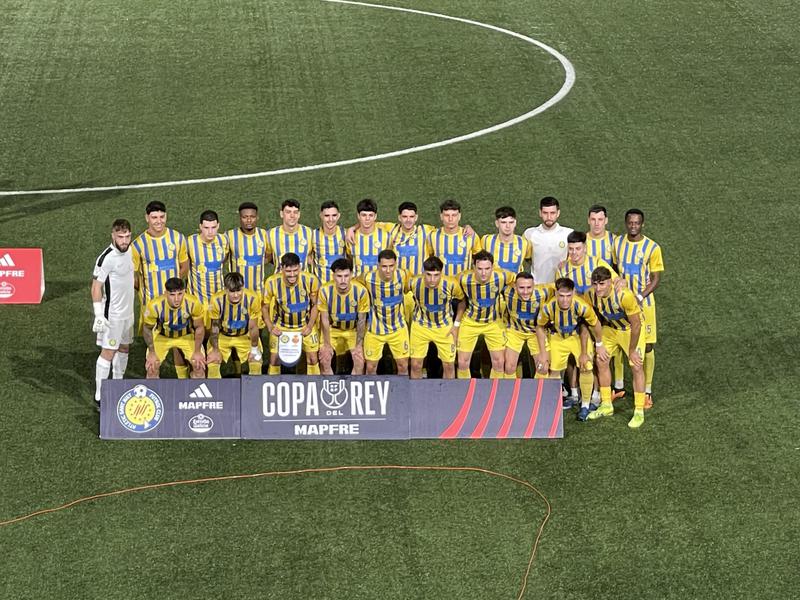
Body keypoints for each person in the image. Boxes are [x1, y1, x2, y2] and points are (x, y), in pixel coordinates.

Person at [613, 208, 664, 409]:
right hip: (622, 303)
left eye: (637, 223)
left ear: (642, 224)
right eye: (630, 222)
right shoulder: (618, 243)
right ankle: (618, 387)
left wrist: (641, 296)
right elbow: (615, 269)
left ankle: (647, 391)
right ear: (626, 223)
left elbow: (656, 278)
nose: (633, 226)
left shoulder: (652, 247)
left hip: (645, 305)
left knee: (648, 346)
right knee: (618, 341)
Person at [535, 278, 607, 417]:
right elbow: (540, 327)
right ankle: (552, 406)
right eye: (561, 296)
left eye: (568, 296)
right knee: (553, 370)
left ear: (573, 293)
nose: (565, 300)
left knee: (586, 365)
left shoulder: (582, 306)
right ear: (556, 294)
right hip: (558, 337)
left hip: (576, 337)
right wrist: (543, 354)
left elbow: (595, 324)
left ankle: (585, 405)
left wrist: (599, 344)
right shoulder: (548, 307)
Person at [585, 266, 647, 427]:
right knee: (601, 360)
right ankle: (606, 405)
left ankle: (639, 410)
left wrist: (632, 350)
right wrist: (599, 344)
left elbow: (636, 325)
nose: (598, 288)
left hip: (630, 330)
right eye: (595, 284)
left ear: (610, 283)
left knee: (636, 366)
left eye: (602, 284)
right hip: (611, 329)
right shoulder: (590, 294)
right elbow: (592, 319)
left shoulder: (624, 296)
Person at [91, 219, 135, 410]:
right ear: (113, 236)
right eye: (120, 237)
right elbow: (96, 286)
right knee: (108, 352)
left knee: (124, 348)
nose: (124, 241)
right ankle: (100, 395)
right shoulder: (106, 258)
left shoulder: (130, 250)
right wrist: (99, 315)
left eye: (127, 237)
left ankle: (118, 385)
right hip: (113, 316)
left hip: (128, 313)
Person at [454, 250, 512, 379]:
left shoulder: (502, 276)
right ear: (474, 267)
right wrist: (456, 323)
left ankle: (495, 394)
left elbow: (519, 284)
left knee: (499, 362)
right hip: (470, 322)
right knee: (462, 363)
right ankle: (466, 394)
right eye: (480, 269)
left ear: (493, 267)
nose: (484, 273)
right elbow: (453, 292)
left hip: (494, 322)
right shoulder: (463, 278)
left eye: (487, 268)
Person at [262, 252, 321, 375]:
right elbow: (265, 307)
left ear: (299, 267)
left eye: (295, 270)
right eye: (288, 271)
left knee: (313, 358)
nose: (292, 275)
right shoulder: (272, 282)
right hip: (281, 326)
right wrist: (270, 326)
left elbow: (315, 305)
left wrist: (310, 326)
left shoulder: (310, 280)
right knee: (274, 360)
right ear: (282, 268)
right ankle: (273, 391)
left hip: (304, 325)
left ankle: (312, 389)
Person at [407, 256, 463, 379]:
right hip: (420, 326)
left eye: (436, 275)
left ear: (441, 273)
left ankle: (447, 396)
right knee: (416, 365)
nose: (432, 279)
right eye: (428, 275)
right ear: (423, 273)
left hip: (444, 327)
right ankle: (416, 396)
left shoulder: (451, 284)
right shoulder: (413, 283)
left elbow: (462, 302)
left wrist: (456, 325)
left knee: (449, 365)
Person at [131, 200, 189, 312]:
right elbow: (132, 277)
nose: (159, 221)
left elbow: (185, 267)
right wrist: (146, 290)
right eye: (154, 217)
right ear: (147, 218)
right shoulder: (137, 245)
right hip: (150, 304)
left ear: (166, 216)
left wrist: (173, 288)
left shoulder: (178, 238)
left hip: (174, 303)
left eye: (162, 217)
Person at [142, 277, 206, 379]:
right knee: (152, 368)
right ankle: (155, 394)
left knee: (199, 365)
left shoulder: (193, 303)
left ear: (184, 292)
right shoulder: (155, 306)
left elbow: (199, 327)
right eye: (172, 295)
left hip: (186, 335)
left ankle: (195, 394)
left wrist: (197, 351)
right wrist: (152, 352)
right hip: (162, 337)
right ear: (165, 293)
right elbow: (147, 329)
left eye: (180, 294)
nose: (176, 299)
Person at [361, 249, 410, 375]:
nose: (388, 270)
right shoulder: (367, 278)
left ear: (396, 265)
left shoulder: (403, 275)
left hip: (398, 328)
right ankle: (372, 394)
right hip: (375, 330)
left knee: (403, 365)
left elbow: (408, 289)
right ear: (378, 265)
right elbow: (355, 287)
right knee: (371, 367)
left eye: (391, 266)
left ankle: (400, 393)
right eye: (384, 267)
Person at [318, 258, 369, 375]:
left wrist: (358, 346)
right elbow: (324, 319)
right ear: (333, 276)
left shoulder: (361, 291)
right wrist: (326, 345)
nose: (343, 280)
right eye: (339, 276)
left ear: (351, 275)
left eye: (346, 276)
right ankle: (329, 390)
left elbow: (362, 321)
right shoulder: (325, 291)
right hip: (332, 330)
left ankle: (354, 390)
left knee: (359, 361)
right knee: (325, 359)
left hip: (353, 330)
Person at [206, 272, 263, 378]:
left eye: (239, 290)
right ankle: (215, 393)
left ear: (243, 287)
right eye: (232, 291)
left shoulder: (253, 298)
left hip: (245, 335)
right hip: (223, 336)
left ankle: (254, 393)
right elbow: (214, 328)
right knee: (212, 362)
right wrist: (215, 350)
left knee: (256, 361)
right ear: (226, 289)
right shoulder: (216, 300)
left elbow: (253, 327)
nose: (236, 295)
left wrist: (254, 349)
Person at [502, 272, 553, 379]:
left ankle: (538, 395)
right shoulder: (507, 292)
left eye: (529, 287)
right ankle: (512, 394)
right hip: (515, 331)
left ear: (534, 286)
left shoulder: (544, 292)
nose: (525, 292)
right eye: (521, 287)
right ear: (515, 286)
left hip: (536, 333)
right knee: (509, 367)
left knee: (543, 368)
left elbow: (563, 288)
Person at [523, 196, 573, 284]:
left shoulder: (568, 234)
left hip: (561, 287)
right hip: (537, 286)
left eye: (552, 213)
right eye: (545, 213)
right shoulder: (529, 234)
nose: (549, 217)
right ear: (540, 213)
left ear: (558, 213)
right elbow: (524, 257)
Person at [427, 199, 481, 278]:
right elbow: (429, 257)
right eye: (447, 215)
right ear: (441, 216)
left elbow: (479, 259)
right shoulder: (432, 236)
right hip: (441, 285)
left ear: (459, 216)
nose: (450, 219)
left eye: (454, 215)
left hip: (464, 285)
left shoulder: (471, 236)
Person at [187, 210, 229, 306]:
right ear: (200, 226)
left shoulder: (223, 240)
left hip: (219, 300)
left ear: (218, 225)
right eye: (206, 228)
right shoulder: (190, 242)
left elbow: (224, 259)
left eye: (213, 227)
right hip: (197, 302)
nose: (210, 232)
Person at [226, 201, 269, 296]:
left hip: (258, 293)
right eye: (245, 217)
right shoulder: (230, 236)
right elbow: (223, 258)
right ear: (240, 218)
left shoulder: (264, 234)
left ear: (257, 217)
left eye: (252, 217)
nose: (249, 220)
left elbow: (269, 256)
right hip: (237, 293)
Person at [348, 198, 393, 277]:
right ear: (358, 216)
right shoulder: (351, 237)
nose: (367, 219)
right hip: (358, 285)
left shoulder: (386, 236)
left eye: (370, 215)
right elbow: (349, 259)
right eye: (364, 215)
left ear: (375, 216)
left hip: (378, 284)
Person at [481, 206, 532, 274]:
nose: (508, 226)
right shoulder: (486, 240)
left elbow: (530, 261)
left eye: (511, 222)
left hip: (515, 284)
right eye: (503, 222)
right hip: (493, 284)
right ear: (497, 223)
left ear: (515, 223)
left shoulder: (524, 243)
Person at [266, 198, 313, 269]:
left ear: (299, 214)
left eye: (295, 212)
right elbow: (268, 257)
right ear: (281, 214)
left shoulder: (310, 233)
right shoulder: (270, 234)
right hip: (279, 279)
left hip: (303, 279)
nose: (292, 216)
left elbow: (312, 256)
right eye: (288, 212)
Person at [310, 200, 347, 285]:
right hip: (320, 288)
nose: (330, 219)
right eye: (327, 216)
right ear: (321, 216)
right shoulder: (313, 235)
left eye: (334, 215)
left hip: (340, 288)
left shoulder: (345, 234)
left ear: (338, 216)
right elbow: (307, 256)